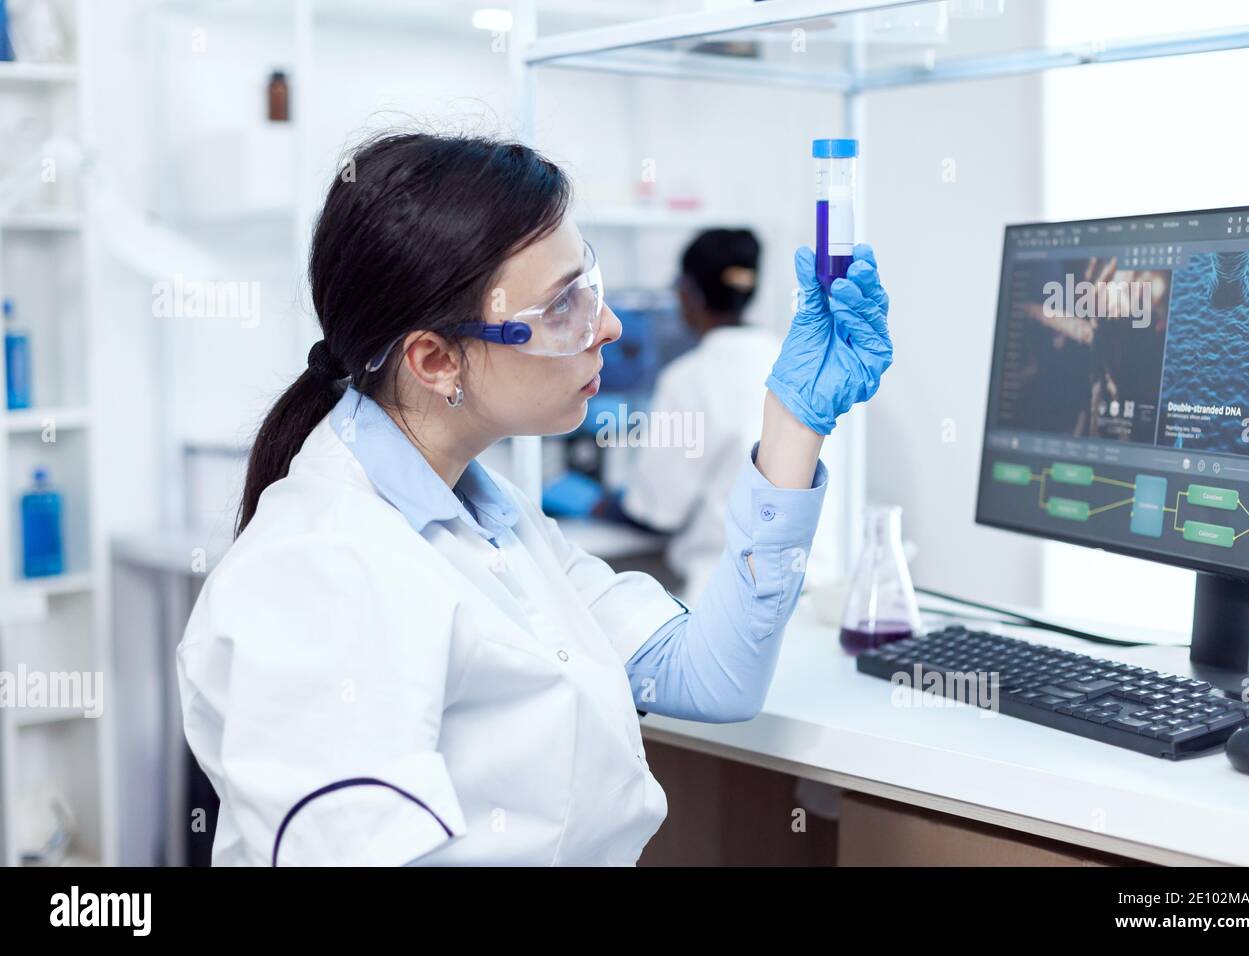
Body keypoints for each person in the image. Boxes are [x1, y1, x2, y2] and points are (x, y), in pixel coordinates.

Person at [175, 131, 892, 866]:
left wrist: (794, 423)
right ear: (433, 359)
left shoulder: (493, 517)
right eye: (562, 308)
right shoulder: (322, 568)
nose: (606, 327)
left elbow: (712, 677)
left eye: (592, 287)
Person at [618, 228, 784, 606]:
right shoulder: (791, 363)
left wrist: (593, 501)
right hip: (813, 587)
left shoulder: (689, 377)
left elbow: (657, 511)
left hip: (728, 594)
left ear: (688, 291)